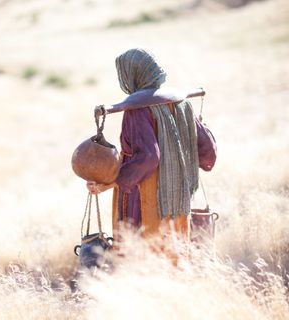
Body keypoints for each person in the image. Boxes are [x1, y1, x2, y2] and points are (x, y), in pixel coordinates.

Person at [87, 48, 217, 242]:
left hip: (146, 195)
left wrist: (112, 182)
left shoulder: (137, 111)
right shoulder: (182, 103)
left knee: (145, 251)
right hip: (178, 195)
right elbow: (208, 152)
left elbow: (148, 157)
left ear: (132, 76)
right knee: (176, 250)